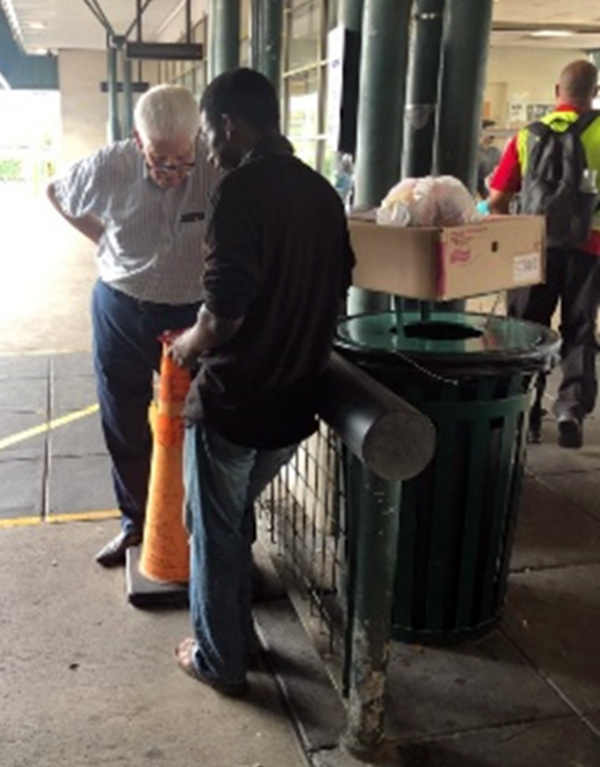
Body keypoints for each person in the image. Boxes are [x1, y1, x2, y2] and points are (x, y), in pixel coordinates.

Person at [168, 68, 355, 696]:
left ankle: (220, 660)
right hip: (294, 401)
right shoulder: (321, 192)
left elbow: (225, 312)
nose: (206, 149)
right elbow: (338, 286)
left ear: (230, 125)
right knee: (234, 513)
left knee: (213, 529)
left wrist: (188, 348)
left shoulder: (239, 189)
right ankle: (238, 634)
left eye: (206, 133)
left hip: (235, 399)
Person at [47, 84, 219, 566]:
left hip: (193, 314)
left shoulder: (214, 165)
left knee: (199, 420)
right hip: (121, 306)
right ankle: (136, 523)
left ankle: (194, 525)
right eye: (160, 160)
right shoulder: (112, 164)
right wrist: (103, 240)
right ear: (138, 142)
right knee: (123, 418)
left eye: (183, 160)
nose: (172, 173)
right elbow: (56, 192)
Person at [489, 59, 600, 449]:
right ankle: (570, 408)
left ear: (557, 92)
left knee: (526, 328)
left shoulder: (527, 135)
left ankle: (525, 411)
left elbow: (498, 198)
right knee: (580, 328)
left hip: (532, 248)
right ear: (594, 91)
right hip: (590, 247)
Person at [477, 120, 501, 200]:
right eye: (490, 131)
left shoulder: (496, 152)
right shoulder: (474, 152)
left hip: (491, 193)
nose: (493, 136)